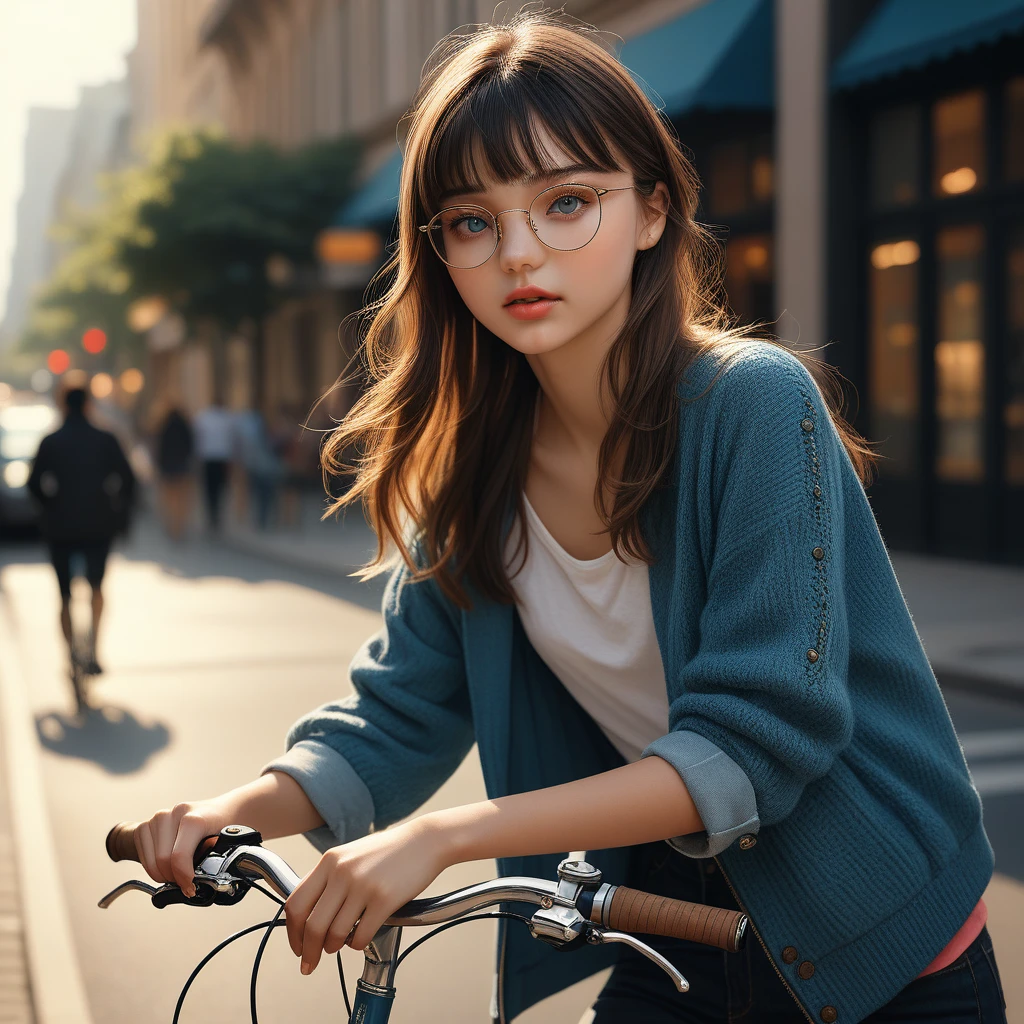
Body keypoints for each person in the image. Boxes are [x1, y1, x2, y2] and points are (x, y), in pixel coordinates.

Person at [124, 12, 1005, 1024]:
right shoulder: (472, 464)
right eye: (471, 221)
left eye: (568, 202)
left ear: (652, 212)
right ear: (440, 250)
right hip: (666, 917)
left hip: (880, 941)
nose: (518, 252)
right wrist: (229, 812)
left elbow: (758, 739)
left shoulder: (751, 403)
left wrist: (445, 834)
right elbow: (399, 710)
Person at [28, 385, 135, 677]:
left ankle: (70, 655)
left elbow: (35, 484)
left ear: (63, 405)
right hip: (98, 524)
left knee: (63, 595)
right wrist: (116, 511)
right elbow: (127, 479)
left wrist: (52, 505)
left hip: (60, 525)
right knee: (97, 587)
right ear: (88, 404)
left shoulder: (51, 441)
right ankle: (94, 647)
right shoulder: (105, 439)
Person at [192, 396, 234, 532]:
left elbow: (198, 438)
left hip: (211, 457)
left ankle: (213, 516)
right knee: (216, 489)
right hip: (218, 457)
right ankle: (214, 516)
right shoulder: (225, 418)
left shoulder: (204, 417)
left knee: (212, 489)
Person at [154, 404, 194, 540]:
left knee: (169, 499)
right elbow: (190, 447)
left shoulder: (165, 428)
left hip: (168, 467)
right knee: (181, 500)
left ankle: (171, 525)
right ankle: (179, 526)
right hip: (182, 467)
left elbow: (160, 449)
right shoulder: (185, 427)